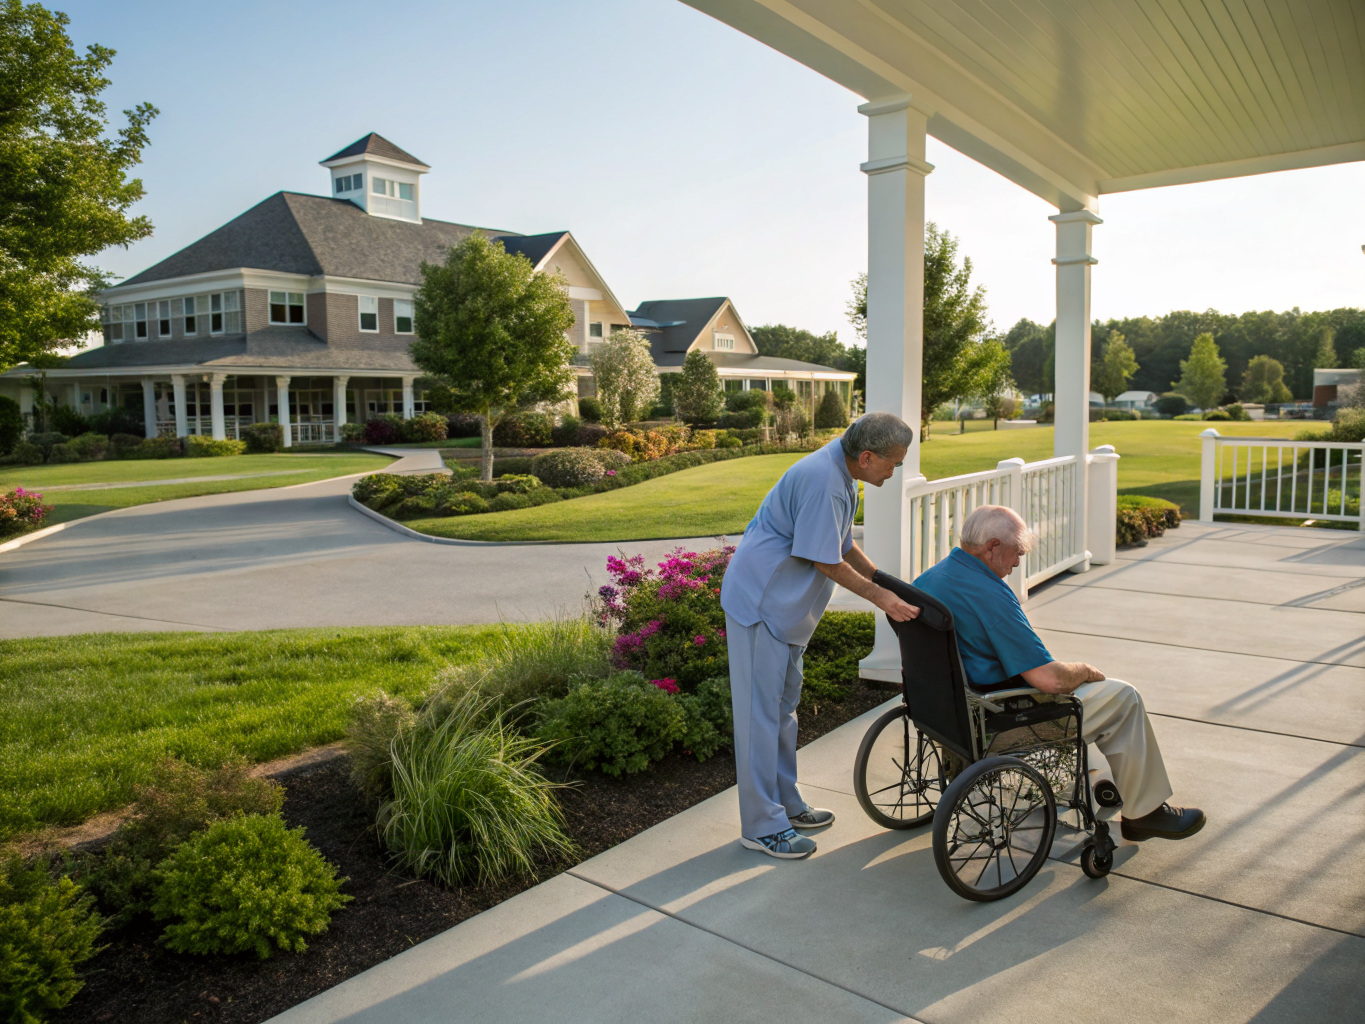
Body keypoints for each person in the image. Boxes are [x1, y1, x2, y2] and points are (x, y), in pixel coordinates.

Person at [913, 504, 1205, 841]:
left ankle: (1099, 779)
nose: (1017, 562)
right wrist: (1083, 670)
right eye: (1016, 552)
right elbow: (1049, 680)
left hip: (944, 712)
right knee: (1121, 696)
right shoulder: (989, 593)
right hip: (996, 716)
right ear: (993, 546)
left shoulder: (932, 577)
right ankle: (1145, 813)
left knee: (1094, 698)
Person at [720, 412, 921, 859]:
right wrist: (882, 599)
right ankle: (761, 826)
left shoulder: (842, 471)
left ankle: (785, 804)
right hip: (761, 606)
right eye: (894, 462)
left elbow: (844, 544)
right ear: (867, 456)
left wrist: (888, 582)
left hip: (784, 611)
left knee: (782, 712)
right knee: (759, 720)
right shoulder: (824, 480)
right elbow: (825, 561)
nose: (896, 469)